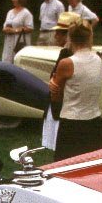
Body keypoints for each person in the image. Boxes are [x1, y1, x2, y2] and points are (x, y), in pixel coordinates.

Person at [50, 21, 102, 161]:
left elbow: (55, 95)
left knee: (67, 166)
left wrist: (53, 86)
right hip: (93, 120)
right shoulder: (98, 59)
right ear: (89, 38)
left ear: (70, 38)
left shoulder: (67, 63)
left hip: (72, 122)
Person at [41, 11, 82, 151]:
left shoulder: (66, 54)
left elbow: (56, 80)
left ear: (68, 35)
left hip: (63, 104)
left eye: (59, 32)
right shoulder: (78, 53)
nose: (56, 35)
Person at [1, 0, 32, 64]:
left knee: (18, 63)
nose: (13, 0)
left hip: (19, 43)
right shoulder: (10, 12)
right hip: (8, 43)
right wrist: (5, 29)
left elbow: (30, 28)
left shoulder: (26, 13)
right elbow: (4, 27)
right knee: (7, 64)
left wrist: (14, 30)